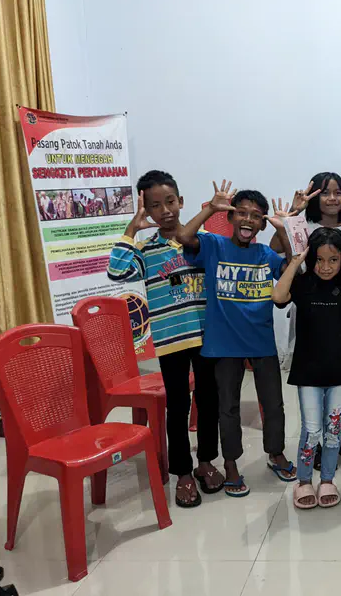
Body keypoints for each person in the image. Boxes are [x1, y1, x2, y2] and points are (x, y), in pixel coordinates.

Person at [107, 170, 223, 507]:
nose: (166, 210)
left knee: (209, 401)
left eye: (170, 201)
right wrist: (132, 228)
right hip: (171, 341)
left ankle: (205, 462)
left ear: (181, 201)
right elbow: (116, 271)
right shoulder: (146, 250)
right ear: (148, 211)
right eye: (155, 206)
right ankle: (183, 472)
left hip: (206, 338)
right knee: (177, 405)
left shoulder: (201, 243)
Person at [178, 180, 297, 496]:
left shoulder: (264, 254)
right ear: (231, 217)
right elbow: (183, 237)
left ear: (261, 223)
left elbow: (290, 268)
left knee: (273, 404)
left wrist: (283, 228)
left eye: (256, 216)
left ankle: (276, 453)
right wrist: (210, 210)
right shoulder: (215, 245)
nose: (248, 220)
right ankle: (230, 463)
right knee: (226, 408)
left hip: (262, 343)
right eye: (241, 213)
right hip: (224, 344)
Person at [272, 229, 341, 509]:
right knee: (312, 428)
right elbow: (278, 297)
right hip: (309, 370)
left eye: (333, 260)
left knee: (334, 427)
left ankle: (327, 478)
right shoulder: (303, 283)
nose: (326, 267)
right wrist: (295, 262)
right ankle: (304, 482)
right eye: (319, 260)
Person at [270, 172, 341, 463]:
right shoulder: (305, 226)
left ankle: (338, 436)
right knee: (313, 372)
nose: (332, 198)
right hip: (309, 308)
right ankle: (314, 439)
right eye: (325, 192)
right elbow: (277, 246)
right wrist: (294, 213)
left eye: (338, 192)